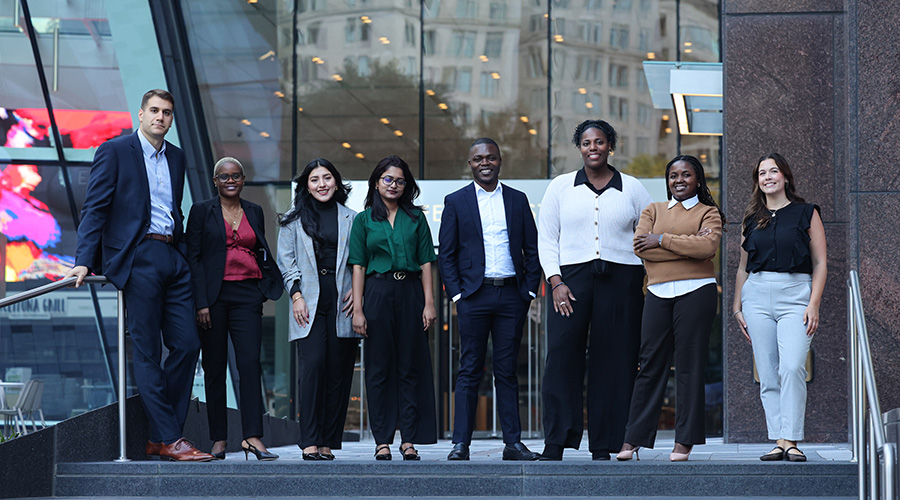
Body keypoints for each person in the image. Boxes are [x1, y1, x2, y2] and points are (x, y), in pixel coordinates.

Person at [63, 89, 214, 461]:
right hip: (138, 255)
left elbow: (172, 208)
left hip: (172, 256)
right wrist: (84, 259)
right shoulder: (115, 151)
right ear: (141, 114)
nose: (161, 117)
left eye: (167, 113)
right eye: (155, 111)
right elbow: (95, 207)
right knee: (146, 350)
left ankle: (165, 436)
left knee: (187, 344)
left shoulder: (176, 157)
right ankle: (168, 436)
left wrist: (180, 252)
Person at [536, 119, 653, 461]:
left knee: (615, 361)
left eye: (599, 142)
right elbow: (547, 239)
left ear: (609, 146)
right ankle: (556, 441)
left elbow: (650, 232)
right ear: (579, 147)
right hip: (570, 282)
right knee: (561, 358)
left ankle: (607, 443)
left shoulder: (632, 188)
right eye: (587, 142)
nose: (593, 148)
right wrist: (555, 282)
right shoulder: (560, 187)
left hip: (622, 283)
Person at [438, 138, 542, 461]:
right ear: (470, 163)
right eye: (479, 158)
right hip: (474, 295)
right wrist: (457, 294)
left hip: (512, 295)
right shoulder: (455, 201)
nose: (486, 162)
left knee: (507, 370)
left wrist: (527, 292)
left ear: (500, 161)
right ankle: (460, 444)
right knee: (469, 369)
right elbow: (447, 254)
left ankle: (513, 443)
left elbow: (532, 249)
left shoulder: (517, 199)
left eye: (492, 157)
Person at [617, 155, 724, 462]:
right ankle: (633, 439)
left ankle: (684, 441)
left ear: (698, 179)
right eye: (673, 175)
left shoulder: (709, 213)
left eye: (686, 175)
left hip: (697, 293)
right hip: (658, 293)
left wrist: (662, 239)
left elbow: (707, 249)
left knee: (690, 367)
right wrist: (685, 248)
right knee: (649, 365)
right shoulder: (653, 210)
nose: (679, 180)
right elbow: (640, 248)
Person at [185, 157, 283, 461]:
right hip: (213, 298)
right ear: (215, 180)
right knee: (215, 368)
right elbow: (194, 259)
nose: (230, 180)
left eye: (236, 176)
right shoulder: (201, 211)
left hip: (248, 295)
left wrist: (262, 290)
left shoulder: (254, 210)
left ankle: (252, 437)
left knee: (250, 364)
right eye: (224, 176)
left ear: (242, 180)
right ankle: (218, 439)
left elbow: (260, 250)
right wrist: (200, 302)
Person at [732, 153, 826, 463]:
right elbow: (743, 268)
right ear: (757, 181)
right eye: (762, 172)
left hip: (795, 294)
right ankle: (779, 439)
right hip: (756, 296)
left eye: (774, 171)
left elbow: (820, 262)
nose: (768, 176)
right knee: (769, 374)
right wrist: (737, 307)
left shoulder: (806, 213)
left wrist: (814, 304)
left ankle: (792, 437)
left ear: (785, 176)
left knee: (792, 366)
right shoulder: (751, 218)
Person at [349, 155, 438, 461]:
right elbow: (358, 266)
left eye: (400, 181)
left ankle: (409, 439)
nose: (394, 185)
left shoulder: (416, 218)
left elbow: (427, 262)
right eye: (388, 179)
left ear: (407, 185)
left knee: (409, 368)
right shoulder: (363, 220)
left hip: (411, 292)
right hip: (377, 292)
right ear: (377, 182)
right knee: (378, 369)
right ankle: (382, 440)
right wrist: (358, 309)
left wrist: (429, 303)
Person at [276, 158, 361, 461]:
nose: (322, 184)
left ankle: (327, 442)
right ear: (306, 186)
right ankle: (309, 440)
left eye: (327, 178)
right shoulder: (292, 220)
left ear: (336, 182)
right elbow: (286, 262)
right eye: (315, 179)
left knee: (337, 373)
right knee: (312, 369)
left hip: (344, 303)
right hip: (307, 303)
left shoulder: (353, 218)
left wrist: (357, 290)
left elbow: (358, 261)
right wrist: (296, 295)